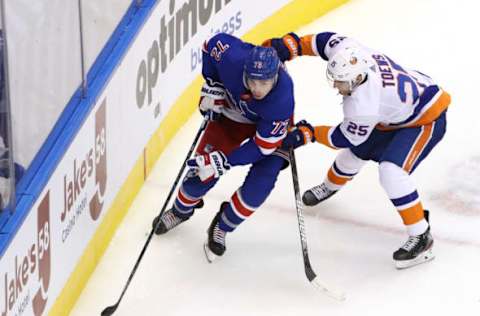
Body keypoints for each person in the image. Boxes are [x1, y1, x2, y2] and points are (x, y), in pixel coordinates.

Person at [264, 32, 450, 269]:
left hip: (425, 118)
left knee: (391, 172)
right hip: (396, 111)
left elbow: (342, 137)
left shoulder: (363, 105)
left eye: (341, 83)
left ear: (355, 79)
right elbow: (324, 41)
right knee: (355, 154)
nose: (337, 86)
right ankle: (329, 187)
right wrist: (293, 46)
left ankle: (422, 235)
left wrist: (308, 133)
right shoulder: (350, 52)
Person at [152, 33, 294, 262]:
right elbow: (209, 47)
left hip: (268, 132)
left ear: (275, 77)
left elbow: (261, 148)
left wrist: (224, 161)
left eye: (264, 83)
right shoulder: (233, 58)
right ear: (244, 71)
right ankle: (180, 211)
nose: (258, 89)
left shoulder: (281, 99)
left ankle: (223, 225)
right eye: (253, 81)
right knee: (199, 175)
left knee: (258, 188)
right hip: (231, 118)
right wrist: (213, 84)